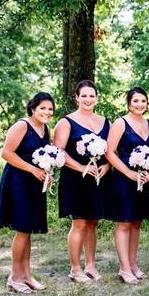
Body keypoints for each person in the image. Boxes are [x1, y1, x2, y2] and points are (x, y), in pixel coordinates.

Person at [0, 92, 57, 293]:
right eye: (43, 108)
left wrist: (48, 173)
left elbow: (46, 156)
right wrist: (32, 170)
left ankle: (27, 275)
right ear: (33, 108)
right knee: (22, 230)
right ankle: (14, 277)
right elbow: (6, 153)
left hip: (35, 184)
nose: (47, 112)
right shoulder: (22, 125)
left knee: (28, 230)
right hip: (18, 182)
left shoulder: (46, 129)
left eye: (50, 109)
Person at [54, 80, 110, 284]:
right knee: (79, 223)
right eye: (84, 96)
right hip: (75, 179)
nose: (88, 99)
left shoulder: (106, 122)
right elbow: (58, 151)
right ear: (76, 97)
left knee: (93, 223)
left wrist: (107, 167)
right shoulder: (66, 122)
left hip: (98, 178)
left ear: (97, 97)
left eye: (91, 95)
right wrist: (81, 168)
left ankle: (91, 265)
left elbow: (111, 151)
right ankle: (75, 268)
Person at [105, 87, 149, 284]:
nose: (140, 104)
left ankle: (133, 264)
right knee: (124, 222)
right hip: (124, 180)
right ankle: (124, 268)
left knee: (137, 222)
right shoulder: (121, 123)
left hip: (143, 180)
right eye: (136, 101)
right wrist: (128, 173)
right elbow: (110, 152)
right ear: (128, 103)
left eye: (143, 101)